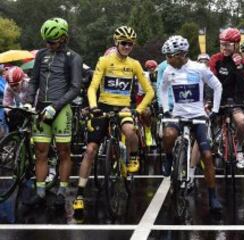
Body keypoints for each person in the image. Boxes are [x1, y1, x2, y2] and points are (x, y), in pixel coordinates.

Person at [72, 26, 154, 219]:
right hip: (103, 107)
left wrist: (138, 110)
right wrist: (93, 107)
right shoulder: (105, 61)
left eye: (130, 44)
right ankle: (80, 195)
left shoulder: (134, 64)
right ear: (116, 43)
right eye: (123, 43)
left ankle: (133, 156)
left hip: (124, 108)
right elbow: (92, 88)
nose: (127, 46)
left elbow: (150, 91)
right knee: (91, 150)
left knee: (130, 130)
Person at [23, 17, 82, 208]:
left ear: (63, 38)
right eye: (46, 41)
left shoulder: (74, 57)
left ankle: (62, 192)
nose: (49, 45)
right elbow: (33, 82)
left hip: (61, 109)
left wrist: (55, 107)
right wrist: (27, 102)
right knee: (41, 152)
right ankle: (40, 191)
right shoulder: (41, 55)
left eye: (53, 41)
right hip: (41, 108)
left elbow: (74, 88)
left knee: (64, 152)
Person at [161, 35, 223, 211]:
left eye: (169, 56)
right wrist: (166, 109)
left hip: (198, 117)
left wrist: (215, 110)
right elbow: (163, 89)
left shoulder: (199, 68)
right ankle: (168, 159)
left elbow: (217, 86)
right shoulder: (168, 70)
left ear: (180, 55)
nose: (167, 60)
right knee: (168, 135)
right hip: (178, 116)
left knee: (208, 156)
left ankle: (212, 196)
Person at [209, 27, 244, 169]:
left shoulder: (243, 61)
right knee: (207, 120)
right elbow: (210, 81)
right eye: (222, 44)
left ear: (236, 45)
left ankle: (239, 150)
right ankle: (214, 144)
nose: (224, 47)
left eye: (227, 44)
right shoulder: (215, 59)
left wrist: (238, 67)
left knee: (241, 122)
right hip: (218, 98)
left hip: (235, 99)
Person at [3, 66, 30, 131]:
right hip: (21, 105)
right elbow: (7, 104)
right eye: (12, 85)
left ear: (22, 80)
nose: (14, 87)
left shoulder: (29, 83)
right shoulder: (8, 87)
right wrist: (10, 112)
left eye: (16, 85)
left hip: (31, 104)